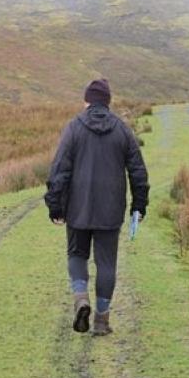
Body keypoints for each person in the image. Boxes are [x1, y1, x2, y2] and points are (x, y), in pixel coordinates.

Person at [45, 79, 149, 335]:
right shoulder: (122, 130)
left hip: (77, 209)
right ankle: (102, 321)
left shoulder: (73, 129)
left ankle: (81, 298)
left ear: (87, 101)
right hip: (110, 210)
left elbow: (59, 170)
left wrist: (55, 206)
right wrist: (139, 204)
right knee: (106, 264)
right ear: (108, 102)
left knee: (77, 255)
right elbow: (137, 171)